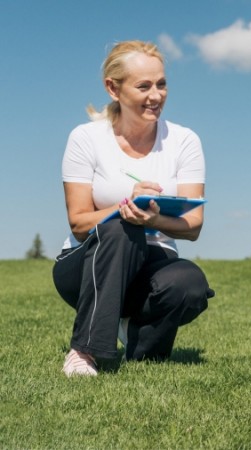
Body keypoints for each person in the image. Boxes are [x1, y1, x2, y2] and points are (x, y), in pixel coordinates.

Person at [53, 40, 214, 377]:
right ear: (113, 88)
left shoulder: (184, 141)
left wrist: (154, 218)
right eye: (144, 86)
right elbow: (80, 222)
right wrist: (125, 205)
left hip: (153, 261)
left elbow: (194, 224)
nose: (156, 95)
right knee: (121, 227)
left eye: (161, 84)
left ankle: (141, 351)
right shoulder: (86, 138)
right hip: (86, 264)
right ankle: (85, 350)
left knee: (190, 283)